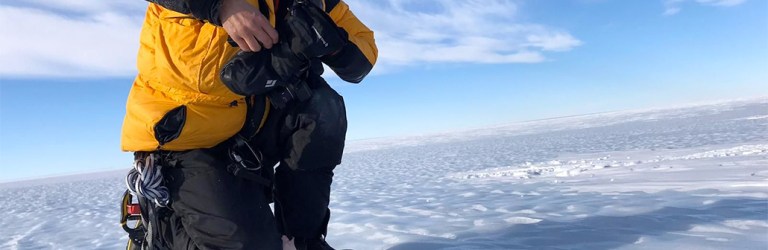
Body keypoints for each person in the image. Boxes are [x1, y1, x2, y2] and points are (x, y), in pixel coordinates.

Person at [120, 0, 377, 249]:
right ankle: (163, 226)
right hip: (185, 138)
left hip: (252, 131)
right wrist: (221, 6)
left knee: (321, 107)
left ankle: (301, 241)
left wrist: (332, 42)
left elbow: (363, 55)